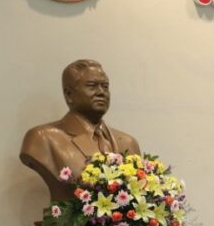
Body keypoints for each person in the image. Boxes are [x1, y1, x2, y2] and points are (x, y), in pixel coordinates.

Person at [20, 59, 142, 201]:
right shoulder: (43, 138)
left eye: (105, 86)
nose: (101, 92)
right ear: (69, 95)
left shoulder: (128, 143)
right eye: (92, 86)